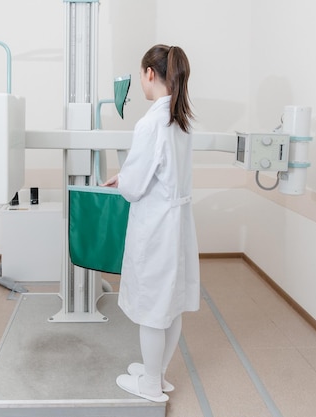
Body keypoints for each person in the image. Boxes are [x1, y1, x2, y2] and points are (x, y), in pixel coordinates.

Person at [103, 44, 200, 403]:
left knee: (152, 310)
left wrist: (123, 179)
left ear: (149, 74)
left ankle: (149, 386)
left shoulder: (150, 123)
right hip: (177, 224)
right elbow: (161, 173)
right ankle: (156, 374)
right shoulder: (182, 121)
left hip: (156, 227)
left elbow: (134, 188)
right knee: (171, 303)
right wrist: (126, 174)